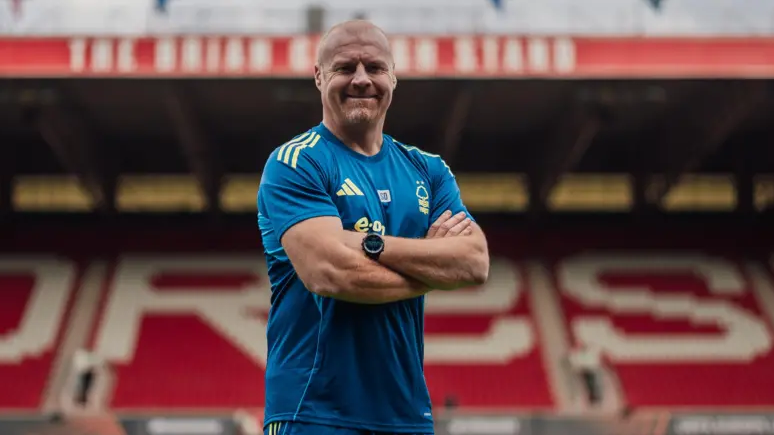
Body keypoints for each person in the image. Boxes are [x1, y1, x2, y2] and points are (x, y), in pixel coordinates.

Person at [257, 20, 490, 435]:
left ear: (393, 77)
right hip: (312, 413)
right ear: (319, 76)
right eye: (346, 67)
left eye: (375, 68)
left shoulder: (429, 170)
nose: (362, 79)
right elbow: (330, 272)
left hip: (406, 416)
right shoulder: (295, 162)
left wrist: (371, 245)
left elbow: (474, 262)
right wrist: (431, 272)